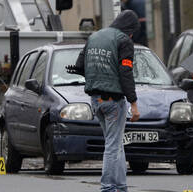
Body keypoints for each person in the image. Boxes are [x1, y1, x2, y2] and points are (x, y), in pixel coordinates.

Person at [66, 10, 140, 192]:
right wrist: (134, 102)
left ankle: (121, 187)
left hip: (96, 100)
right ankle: (107, 188)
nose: (131, 35)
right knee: (113, 146)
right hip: (113, 101)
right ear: (130, 29)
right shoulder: (124, 40)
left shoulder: (94, 36)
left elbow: (79, 66)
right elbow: (125, 72)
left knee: (116, 144)